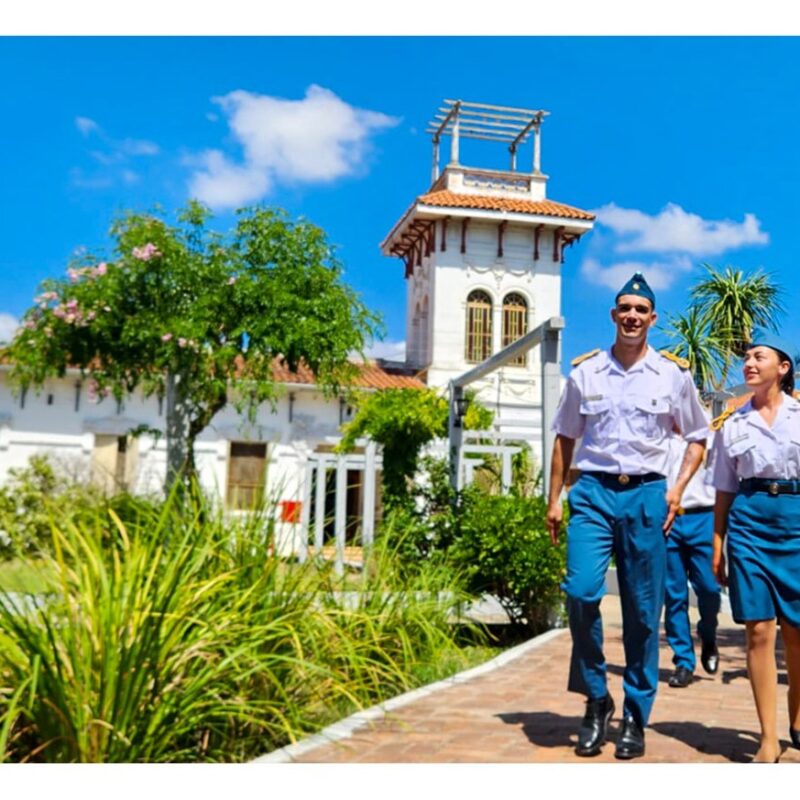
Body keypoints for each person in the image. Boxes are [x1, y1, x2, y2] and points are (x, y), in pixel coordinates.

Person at [547, 272, 709, 760]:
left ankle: (636, 713)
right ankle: (597, 696)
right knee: (580, 592)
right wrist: (554, 498)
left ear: (652, 318)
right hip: (593, 492)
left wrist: (677, 491)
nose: (632, 316)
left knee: (643, 611)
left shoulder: (673, 375)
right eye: (625, 308)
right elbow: (564, 438)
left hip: (646, 496)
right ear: (614, 315)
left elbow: (697, 437)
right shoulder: (586, 372)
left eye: (641, 309)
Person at [709, 332, 800, 763]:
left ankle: (798, 716)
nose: (748, 363)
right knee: (759, 630)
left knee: (797, 633)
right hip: (748, 524)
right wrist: (717, 542)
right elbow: (724, 489)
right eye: (745, 357)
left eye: (758, 356)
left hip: (797, 524)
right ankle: (768, 737)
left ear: (782, 368)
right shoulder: (732, 423)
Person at [663, 429, 721, 688]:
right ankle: (683, 661)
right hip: (668, 521)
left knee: (709, 588)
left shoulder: (709, 434)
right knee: (674, 594)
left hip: (703, 517)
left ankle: (708, 636)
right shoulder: (657, 434)